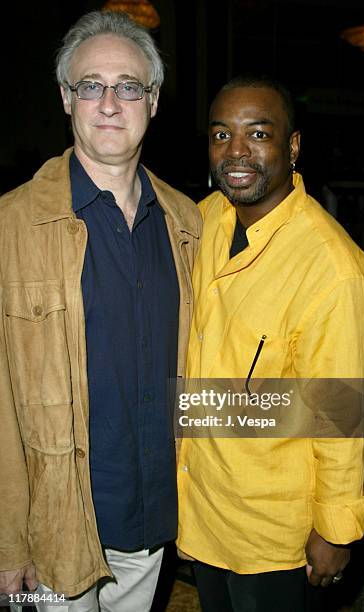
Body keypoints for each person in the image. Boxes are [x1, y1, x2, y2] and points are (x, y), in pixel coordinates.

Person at [0, 10, 200, 612]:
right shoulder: (11, 226)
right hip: (51, 528)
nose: (110, 102)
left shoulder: (189, 224)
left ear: (154, 101)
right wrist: (8, 538)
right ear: (67, 98)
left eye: (129, 86)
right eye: (91, 85)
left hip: (151, 523)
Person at [176, 76, 364, 611]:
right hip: (202, 507)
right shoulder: (203, 221)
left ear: (291, 147)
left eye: (259, 133)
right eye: (221, 134)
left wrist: (336, 530)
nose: (237, 151)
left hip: (274, 535)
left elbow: (345, 409)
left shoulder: (333, 269)